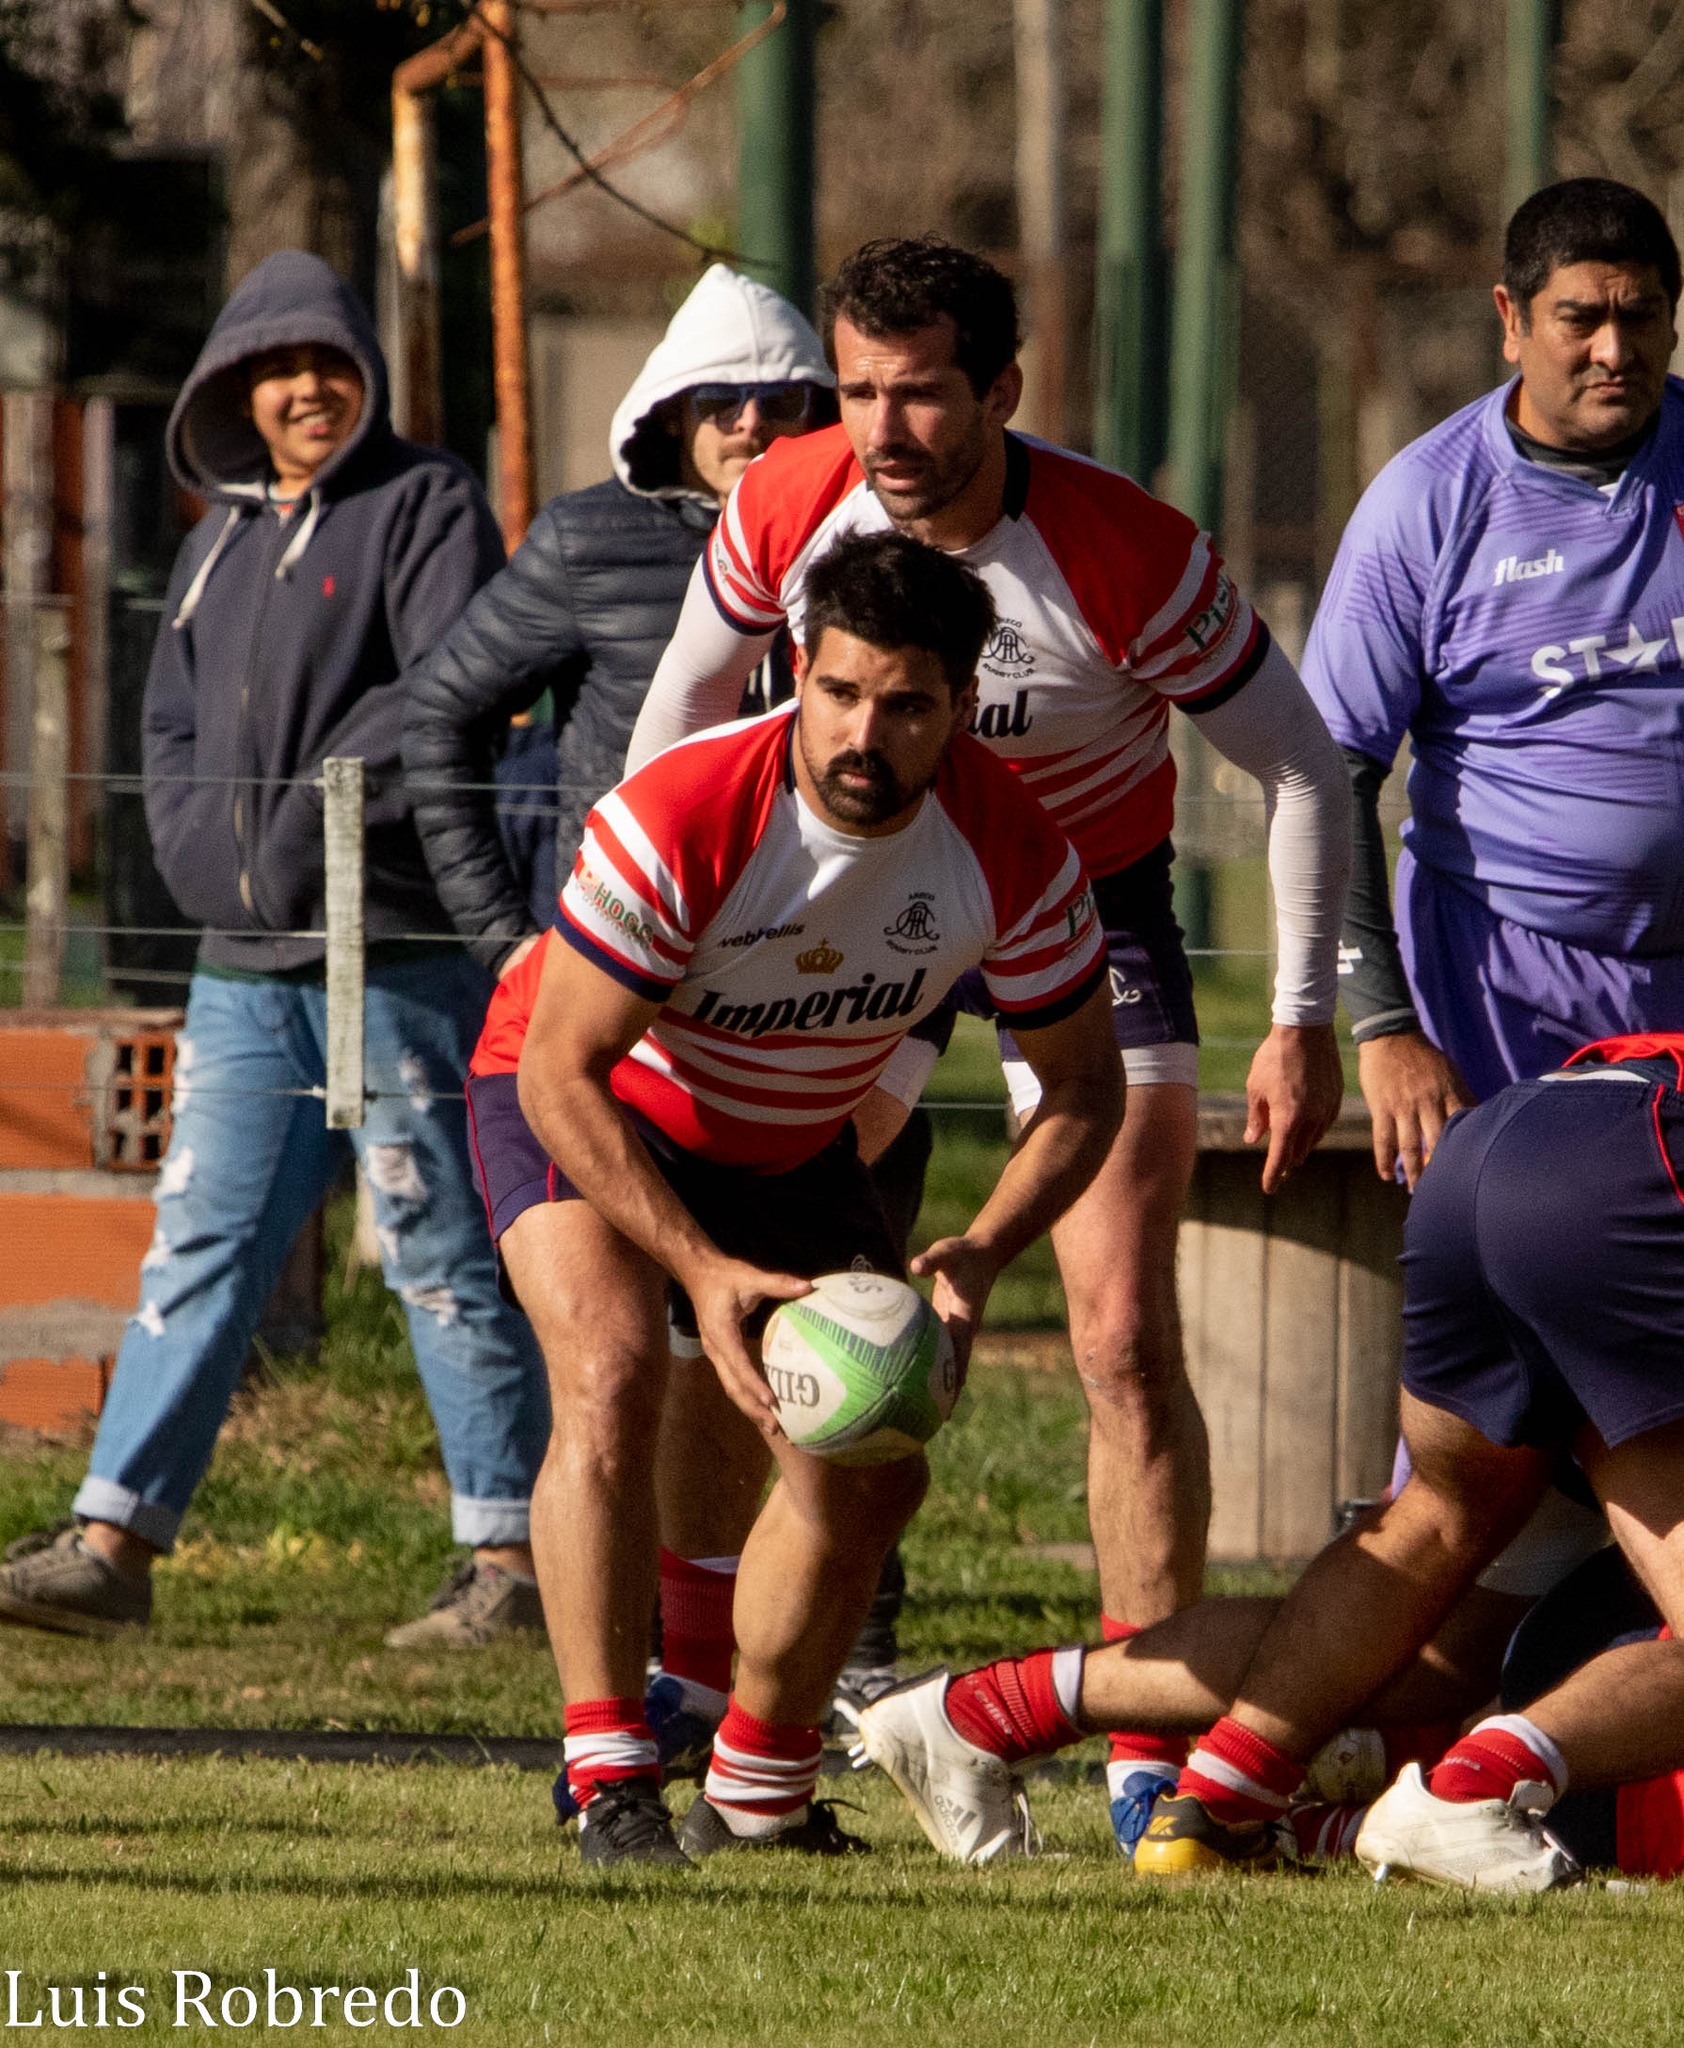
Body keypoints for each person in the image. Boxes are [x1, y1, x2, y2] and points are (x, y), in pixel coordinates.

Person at [625, 235, 1351, 1849]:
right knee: (739, 1286)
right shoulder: (784, 495)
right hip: (834, 902)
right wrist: (654, 933)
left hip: (1071, 913)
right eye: (860, 388)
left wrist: (1297, 1018)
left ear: (1001, 392)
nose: (880, 428)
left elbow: (1299, 763)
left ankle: (1140, 1749)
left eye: (923, 393)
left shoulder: (1117, 546)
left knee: (1112, 1333)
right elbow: (677, 708)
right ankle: (696, 1669)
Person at [465, 530, 1121, 1864]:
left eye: (906, 703)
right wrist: (698, 1270)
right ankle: (611, 1776)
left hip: (786, 1138)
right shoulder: (691, 810)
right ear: (798, 674)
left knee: (874, 1467)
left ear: (959, 709)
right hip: (594, 1103)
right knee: (609, 1374)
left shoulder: (1012, 851)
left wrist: (986, 1250)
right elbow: (561, 1073)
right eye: (840, 691)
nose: (863, 731)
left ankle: (756, 1792)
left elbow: (1086, 1094)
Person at [401, 265, 919, 1779]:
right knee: (621, 1367)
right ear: (669, 415)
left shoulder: (872, 563)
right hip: (600, 1032)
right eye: (722, 400)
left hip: (817, 1029)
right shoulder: (591, 543)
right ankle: (610, 1743)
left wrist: (903, 1048)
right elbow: (441, 714)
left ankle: (753, 1703)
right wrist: (519, 932)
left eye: (783, 401)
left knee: (822, 1376)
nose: (752, 422)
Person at [0, 251, 551, 1650]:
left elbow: (453, 687)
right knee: (201, 1245)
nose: (306, 388)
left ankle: (508, 1559)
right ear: (238, 386)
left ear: (362, 375)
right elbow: (169, 725)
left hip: (400, 949)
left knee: (441, 1246)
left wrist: (324, 817)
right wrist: (201, 854)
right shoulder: (216, 542)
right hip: (244, 971)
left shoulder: (425, 506)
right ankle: (114, 1541)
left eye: (329, 362)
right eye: (278, 365)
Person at [860, 1032, 1684, 1890]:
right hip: (1626, 1174)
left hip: (1502, 1141)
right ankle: (1470, 1790)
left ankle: (1117, 1763)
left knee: (1440, 1588)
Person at [1304, 178, 1684, 1188]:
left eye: (1641, 315)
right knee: (1525, 1288)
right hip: (1509, 984)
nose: (1615, 347)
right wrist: (1384, 1026)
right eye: (1582, 317)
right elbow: (1324, 774)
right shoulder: (1426, 507)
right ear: (1511, 320)